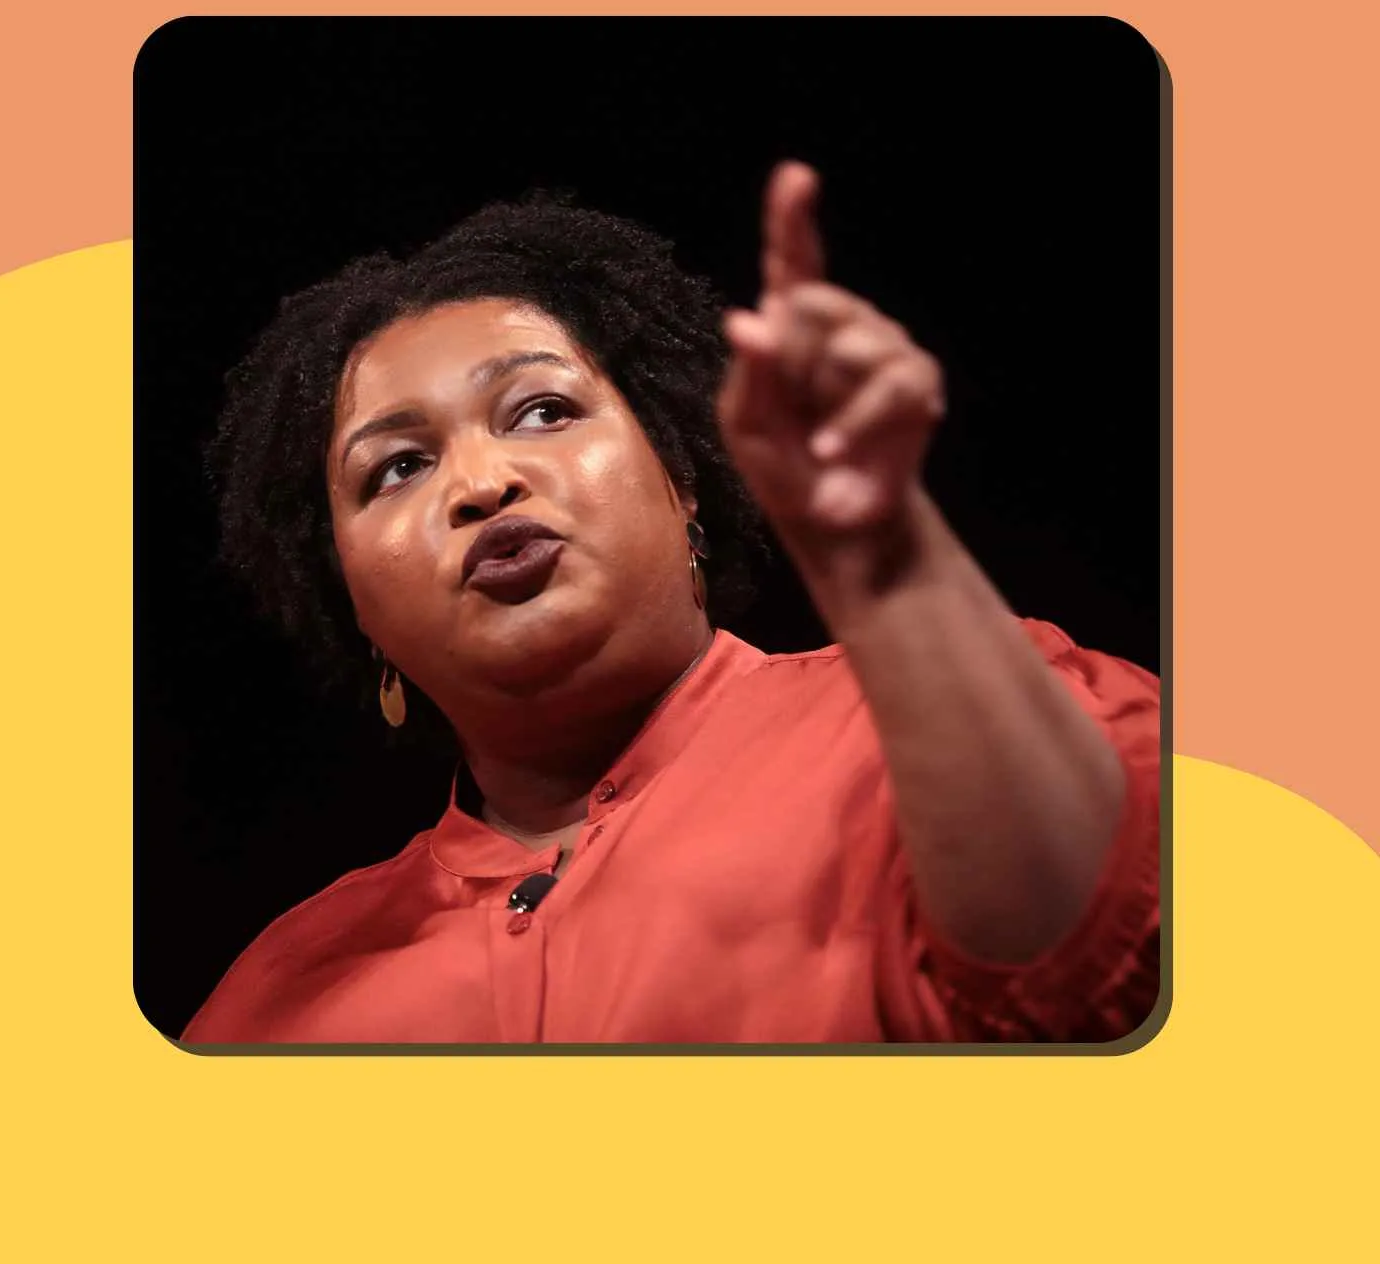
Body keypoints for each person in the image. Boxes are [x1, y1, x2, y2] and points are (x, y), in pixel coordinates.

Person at [182, 162, 1160, 1045]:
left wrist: (885, 559)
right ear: (351, 600)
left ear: (680, 480)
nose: (481, 483)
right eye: (396, 467)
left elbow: (1114, 973)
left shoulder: (942, 720)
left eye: (542, 410)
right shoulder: (281, 1001)